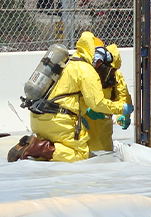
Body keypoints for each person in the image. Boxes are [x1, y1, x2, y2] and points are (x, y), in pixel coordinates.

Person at [7, 31, 134, 162]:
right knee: (79, 155)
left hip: (42, 117)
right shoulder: (87, 70)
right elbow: (96, 103)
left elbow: (120, 94)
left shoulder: (68, 64)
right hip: (62, 120)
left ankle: (31, 145)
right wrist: (121, 109)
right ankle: (36, 148)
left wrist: (121, 115)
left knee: (63, 150)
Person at [85, 42, 133, 152]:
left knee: (103, 156)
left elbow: (123, 96)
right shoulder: (82, 71)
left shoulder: (113, 73)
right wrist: (84, 110)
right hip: (82, 124)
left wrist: (123, 115)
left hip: (103, 126)